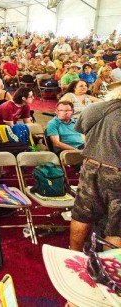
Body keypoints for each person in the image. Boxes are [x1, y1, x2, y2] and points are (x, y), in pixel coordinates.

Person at [70, 83, 121, 251]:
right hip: (117, 172)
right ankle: (109, 271)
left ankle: (73, 254)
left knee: (82, 214)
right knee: (117, 227)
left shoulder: (94, 108)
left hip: (91, 165)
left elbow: (84, 134)